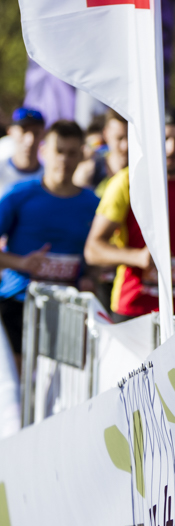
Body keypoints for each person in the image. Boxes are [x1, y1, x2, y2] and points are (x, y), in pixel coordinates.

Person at [86, 115, 175, 357]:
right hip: (135, 300)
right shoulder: (126, 182)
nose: (171, 147)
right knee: (135, 387)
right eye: (165, 138)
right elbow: (93, 249)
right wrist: (137, 257)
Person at [0, 120, 99, 354]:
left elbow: (100, 254)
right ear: (44, 152)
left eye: (72, 153)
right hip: (19, 303)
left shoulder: (93, 204)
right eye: (59, 151)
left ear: (81, 156)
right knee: (17, 389)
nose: (64, 159)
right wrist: (21, 263)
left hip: (70, 310)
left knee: (63, 390)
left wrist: (91, 276)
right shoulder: (20, 195)